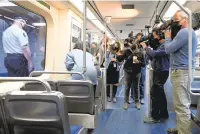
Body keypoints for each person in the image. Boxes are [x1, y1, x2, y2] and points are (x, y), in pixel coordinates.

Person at [164, 9, 197, 134]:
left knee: (182, 106)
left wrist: (167, 38)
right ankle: (180, 129)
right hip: (182, 71)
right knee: (179, 105)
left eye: (176, 20)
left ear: (185, 19)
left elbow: (168, 49)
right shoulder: (188, 32)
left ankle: (184, 132)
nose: (174, 23)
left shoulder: (184, 32)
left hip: (182, 72)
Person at [140, 28, 170, 123]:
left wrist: (146, 47)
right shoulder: (160, 45)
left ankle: (155, 117)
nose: (153, 38)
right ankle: (164, 114)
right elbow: (151, 56)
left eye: (154, 36)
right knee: (160, 93)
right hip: (159, 70)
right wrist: (147, 51)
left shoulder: (166, 45)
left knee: (155, 93)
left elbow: (154, 54)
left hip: (162, 71)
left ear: (160, 35)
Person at [117, 42, 145, 110]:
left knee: (136, 87)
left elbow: (144, 64)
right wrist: (118, 55)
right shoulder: (127, 52)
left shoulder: (141, 53)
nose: (134, 51)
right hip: (128, 72)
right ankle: (126, 102)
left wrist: (139, 62)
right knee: (127, 87)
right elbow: (120, 59)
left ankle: (137, 102)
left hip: (137, 72)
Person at [135, 32, 146, 105]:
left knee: (141, 83)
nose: (139, 39)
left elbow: (146, 56)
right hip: (135, 66)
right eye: (138, 38)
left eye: (140, 38)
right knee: (135, 83)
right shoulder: (135, 46)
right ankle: (135, 97)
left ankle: (142, 97)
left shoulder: (145, 46)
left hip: (142, 66)